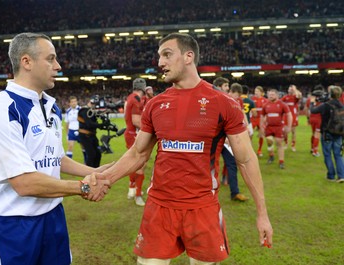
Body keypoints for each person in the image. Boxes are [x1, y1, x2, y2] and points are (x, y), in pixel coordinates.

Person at [99, 33, 273, 264]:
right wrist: (106, 178)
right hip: (159, 207)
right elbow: (138, 153)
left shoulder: (223, 104)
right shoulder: (155, 104)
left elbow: (246, 160)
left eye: (167, 55)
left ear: (189, 56)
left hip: (202, 209)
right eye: (159, 56)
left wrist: (262, 214)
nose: (160, 62)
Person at [0, 32, 111, 265]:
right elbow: (24, 183)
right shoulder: (2, 109)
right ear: (26, 62)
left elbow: (55, 158)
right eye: (51, 59)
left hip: (52, 217)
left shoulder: (51, 106)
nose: (58, 66)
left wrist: (94, 172)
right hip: (10, 225)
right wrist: (83, 186)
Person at [310, 85, 344, 183]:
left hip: (327, 132)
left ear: (330, 94)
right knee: (338, 154)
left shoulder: (326, 105)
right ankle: (341, 175)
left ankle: (331, 175)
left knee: (328, 154)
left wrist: (313, 102)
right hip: (339, 133)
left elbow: (313, 111)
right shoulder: (342, 105)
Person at [125, 78, 147, 206]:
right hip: (134, 134)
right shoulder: (136, 99)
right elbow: (136, 120)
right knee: (140, 164)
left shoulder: (130, 97)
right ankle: (137, 195)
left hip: (130, 133)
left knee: (134, 163)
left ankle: (132, 190)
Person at [260, 89, 292, 169]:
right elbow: (262, 116)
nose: (270, 96)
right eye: (269, 95)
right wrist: (261, 127)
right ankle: (271, 156)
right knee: (269, 141)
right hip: (269, 127)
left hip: (279, 127)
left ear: (277, 95)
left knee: (279, 143)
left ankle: (281, 162)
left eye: (273, 95)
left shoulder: (282, 104)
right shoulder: (265, 104)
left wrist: (289, 126)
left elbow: (289, 115)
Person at [78, 96, 106, 167]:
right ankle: (88, 173)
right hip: (85, 136)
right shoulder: (84, 110)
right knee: (91, 154)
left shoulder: (90, 111)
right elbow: (89, 124)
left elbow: (94, 123)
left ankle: (96, 171)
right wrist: (101, 125)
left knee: (98, 154)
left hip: (92, 135)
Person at [64, 95, 86, 162]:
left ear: (77, 102)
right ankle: (69, 163)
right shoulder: (68, 111)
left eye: (75, 101)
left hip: (80, 130)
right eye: (72, 102)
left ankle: (86, 161)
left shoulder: (81, 110)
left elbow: (85, 121)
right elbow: (67, 123)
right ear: (70, 103)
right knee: (70, 146)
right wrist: (67, 134)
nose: (74, 103)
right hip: (71, 131)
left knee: (83, 146)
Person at [281, 84, 302, 152]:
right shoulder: (285, 97)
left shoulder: (295, 97)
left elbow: (300, 96)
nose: (290, 90)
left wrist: (295, 89)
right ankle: (286, 143)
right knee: (285, 131)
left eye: (291, 89)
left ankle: (293, 145)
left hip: (293, 116)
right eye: (289, 88)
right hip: (286, 116)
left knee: (293, 131)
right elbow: (280, 103)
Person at [304, 85, 324, 157]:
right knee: (317, 135)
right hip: (319, 118)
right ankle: (315, 151)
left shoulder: (309, 99)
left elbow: (306, 109)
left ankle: (312, 148)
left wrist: (308, 118)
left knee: (313, 134)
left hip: (312, 118)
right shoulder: (322, 99)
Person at [251, 86, 268, 157]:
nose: (256, 92)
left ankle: (259, 150)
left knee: (261, 134)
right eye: (255, 91)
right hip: (253, 119)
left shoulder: (265, 100)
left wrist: (265, 120)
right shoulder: (252, 99)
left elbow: (267, 111)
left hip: (261, 119)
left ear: (261, 92)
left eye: (257, 91)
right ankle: (250, 150)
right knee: (250, 134)